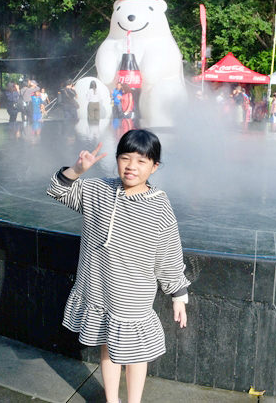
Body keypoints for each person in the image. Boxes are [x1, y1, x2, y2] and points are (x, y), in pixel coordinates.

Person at [46, 130, 189, 403]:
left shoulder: (158, 205)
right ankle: (112, 400)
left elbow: (168, 252)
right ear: (116, 159)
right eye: (125, 158)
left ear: (154, 166)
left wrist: (178, 295)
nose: (131, 166)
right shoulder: (97, 190)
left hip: (133, 294)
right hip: (99, 289)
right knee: (107, 347)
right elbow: (57, 190)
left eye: (141, 161)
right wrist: (77, 169)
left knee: (136, 354)